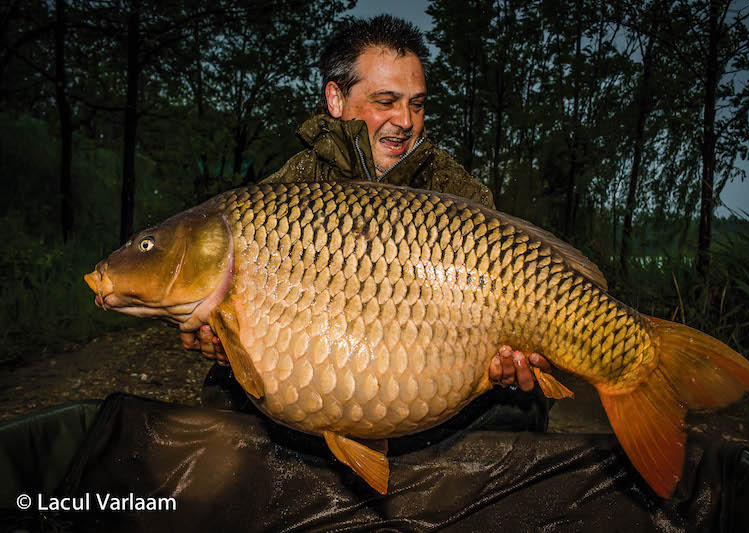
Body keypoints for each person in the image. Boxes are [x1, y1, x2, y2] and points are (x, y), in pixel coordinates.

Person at [182, 15, 553, 428]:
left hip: (426, 385)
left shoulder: (461, 195)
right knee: (222, 390)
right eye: (386, 102)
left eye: (417, 103)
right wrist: (225, 341)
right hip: (319, 380)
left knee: (522, 405)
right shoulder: (285, 191)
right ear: (336, 99)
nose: (406, 121)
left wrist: (506, 366)